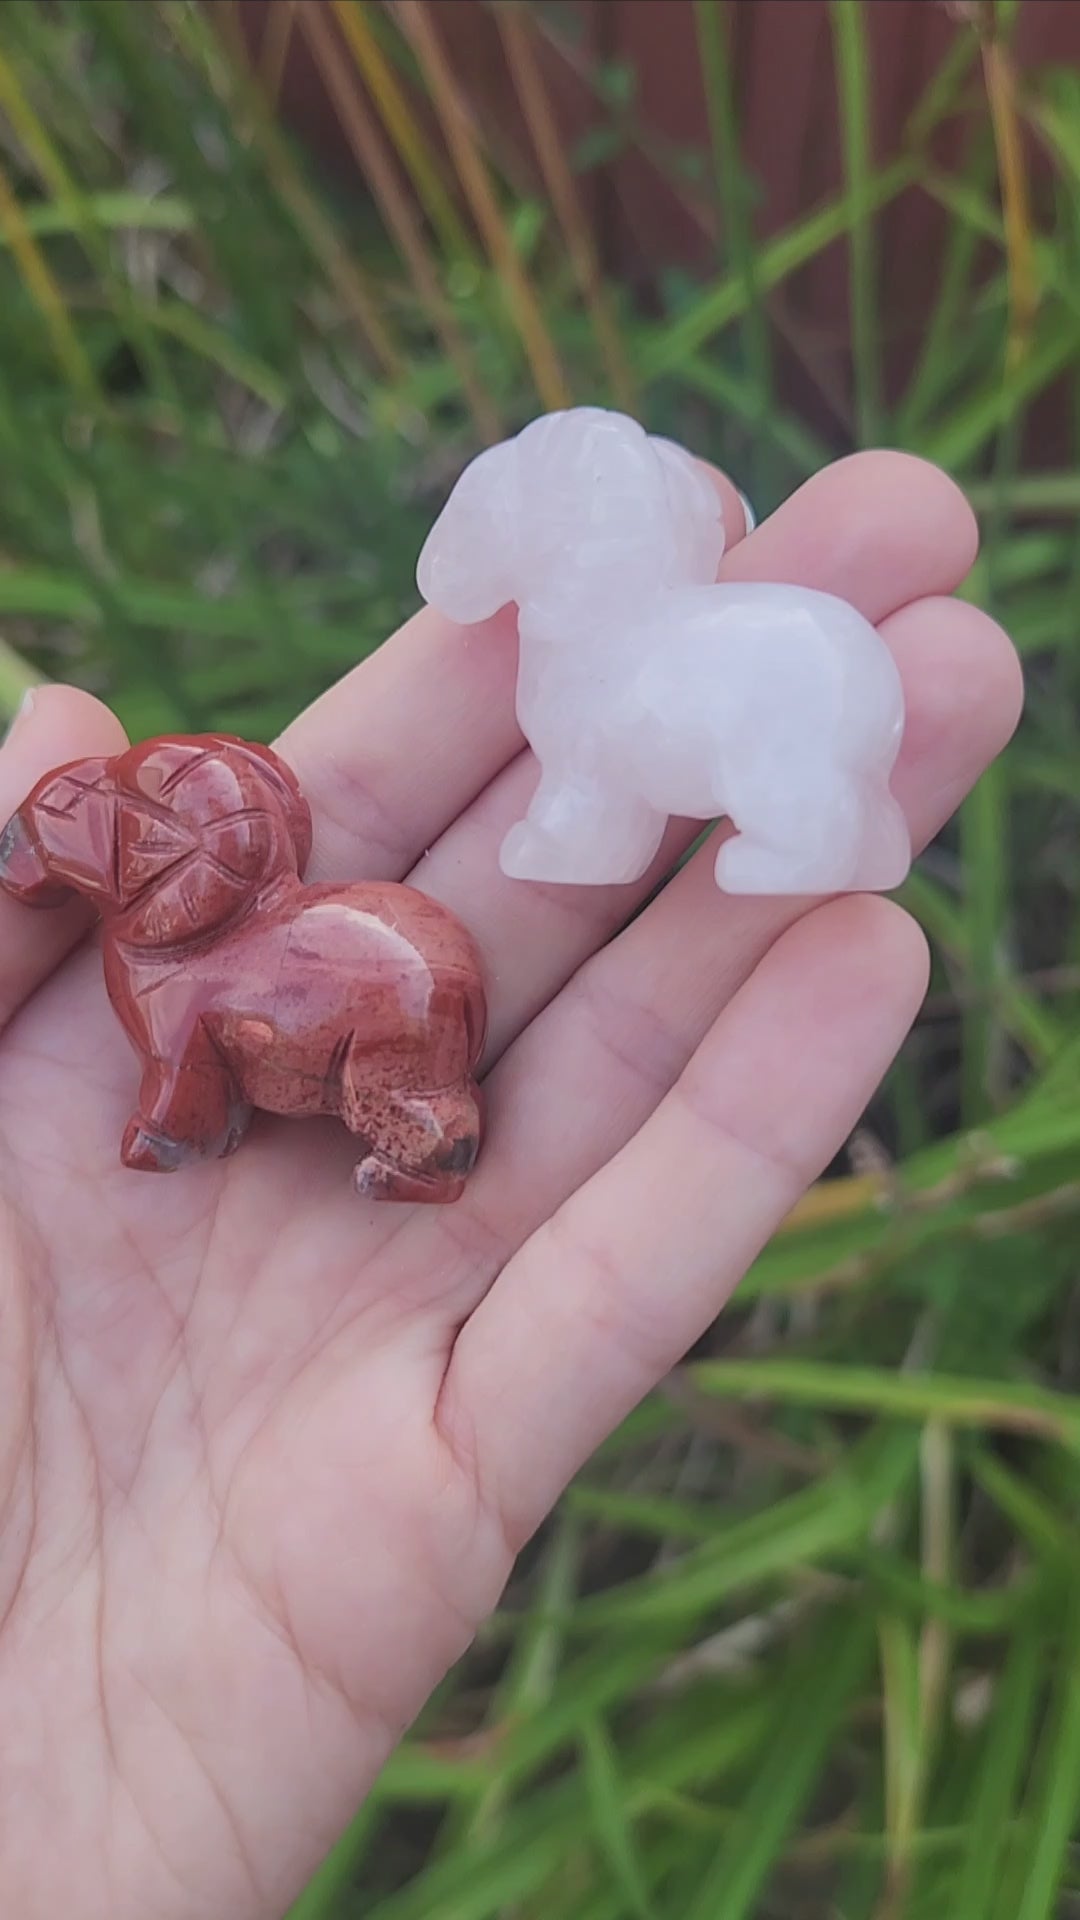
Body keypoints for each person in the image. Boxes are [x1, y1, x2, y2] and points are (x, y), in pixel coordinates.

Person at [0, 451, 1022, 1918]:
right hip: (388, 969)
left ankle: (427, 1130)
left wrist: (175, 1116)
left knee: (375, 1067)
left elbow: (185, 1050)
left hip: (377, 996)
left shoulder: (189, 958)